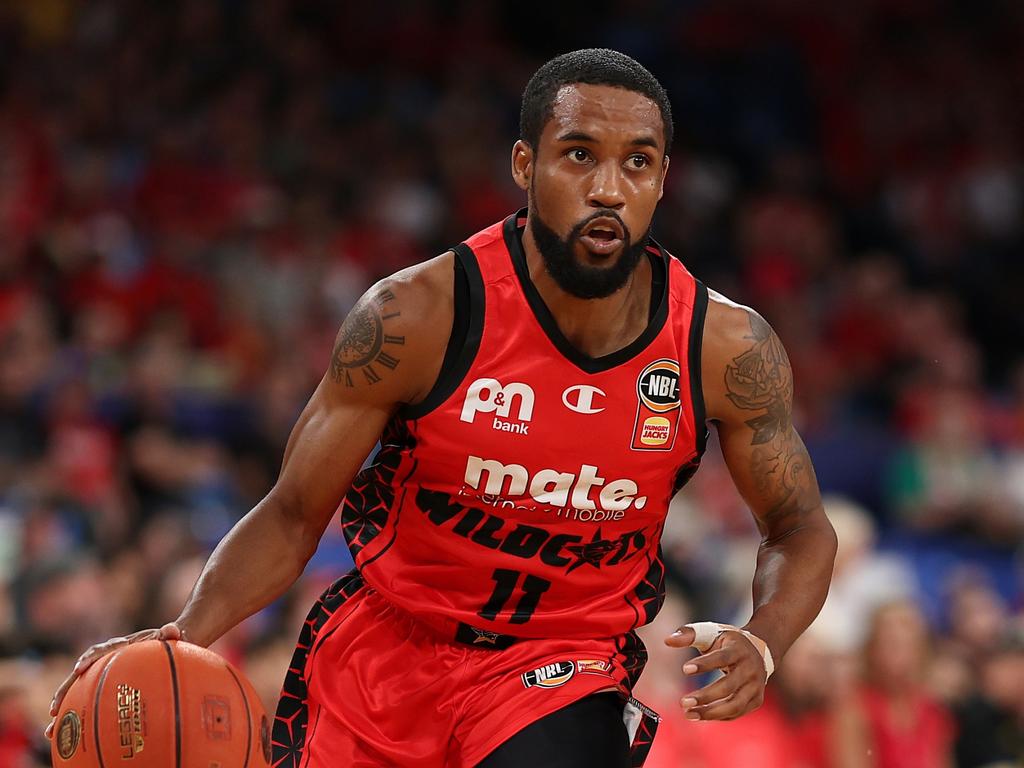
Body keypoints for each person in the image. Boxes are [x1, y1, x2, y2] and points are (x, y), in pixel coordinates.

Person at [47, 48, 837, 767]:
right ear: (525, 165)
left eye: (638, 163)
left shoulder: (723, 347)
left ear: (663, 180)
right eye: (579, 156)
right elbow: (293, 514)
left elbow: (800, 528)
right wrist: (182, 633)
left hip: (559, 665)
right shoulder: (418, 315)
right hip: (387, 650)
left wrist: (764, 641)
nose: (608, 188)